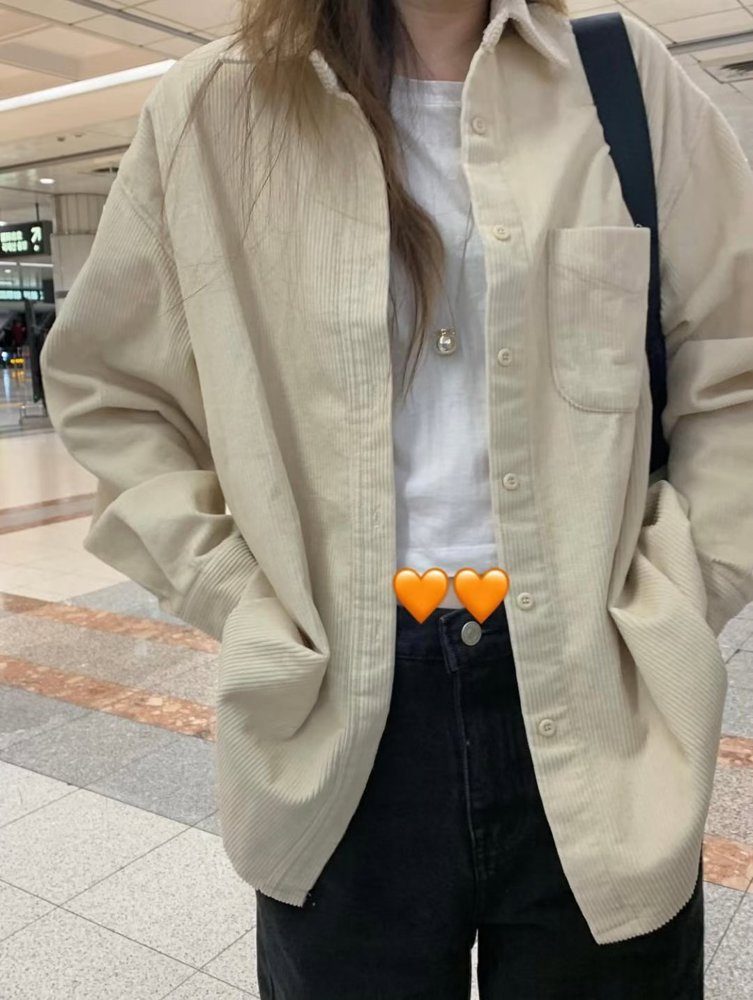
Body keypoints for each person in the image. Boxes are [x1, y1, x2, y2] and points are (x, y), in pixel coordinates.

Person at [40, 0, 753, 996]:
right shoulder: (217, 108)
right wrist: (239, 597)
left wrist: (681, 589)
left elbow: (736, 369)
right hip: (334, 713)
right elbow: (113, 389)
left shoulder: (623, 83)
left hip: (601, 695)